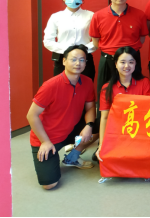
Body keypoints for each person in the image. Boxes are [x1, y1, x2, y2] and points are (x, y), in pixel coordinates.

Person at [27, 45, 98, 190]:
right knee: (49, 184)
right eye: (73, 59)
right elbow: (31, 115)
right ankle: (51, 155)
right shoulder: (50, 85)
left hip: (71, 129)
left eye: (82, 60)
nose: (78, 63)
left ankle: (73, 157)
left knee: (101, 123)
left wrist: (89, 125)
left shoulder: (87, 82)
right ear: (64, 61)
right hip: (47, 137)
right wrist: (45, 142)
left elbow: (90, 107)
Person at [89, 0, 149, 100]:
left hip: (132, 61)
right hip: (108, 60)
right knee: (105, 94)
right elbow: (95, 40)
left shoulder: (139, 14)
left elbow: (142, 38)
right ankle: (104, 113)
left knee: (134, 93)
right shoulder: (98, 16)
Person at [95, 47, 150, 163]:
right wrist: (101, 144)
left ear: (135, 64)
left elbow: (149, 111)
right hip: (117, 131)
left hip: (139, 130)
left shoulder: (144, 83)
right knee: (109, 159)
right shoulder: (107, 88)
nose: (127, 66)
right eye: (122, 62)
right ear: (116, 64)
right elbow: (105, 117)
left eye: (131, 62)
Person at [43, 0, 96, 79]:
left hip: (85, 59)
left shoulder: (91, 16)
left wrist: (83, 50)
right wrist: (68, 50)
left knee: (85, 86)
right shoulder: (56, 17)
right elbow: (48, 41)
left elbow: (98, 40)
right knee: (62, 86)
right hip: (62, 58)